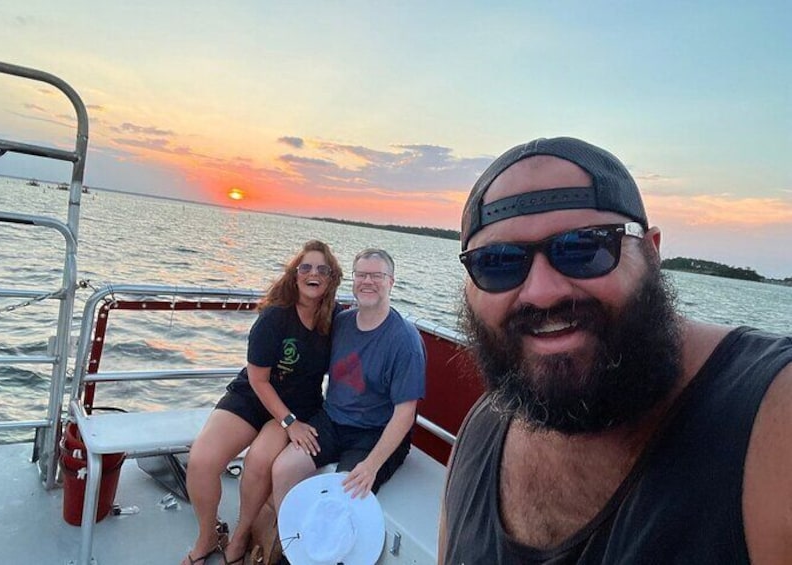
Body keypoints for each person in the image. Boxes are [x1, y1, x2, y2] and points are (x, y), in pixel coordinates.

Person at [439, 136, 792, 563]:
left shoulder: (772, 414)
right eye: (497, 263)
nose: (542, 292)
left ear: (651, 252)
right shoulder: (481, 427)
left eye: (583, 248)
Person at [220, 248, 427, 562]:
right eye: (361, 274)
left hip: (374, 434)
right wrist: (289, 418)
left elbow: (405, 413)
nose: (368, 281)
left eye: (377, 276)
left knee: (344, 496)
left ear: (391, 282)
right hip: (331, 421)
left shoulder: (404, 340)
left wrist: (371, 465)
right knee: (284, 467)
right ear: (353, 280)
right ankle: (288, 547)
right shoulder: (340, 323)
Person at [181, 240, 343, 565]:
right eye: (306, 267)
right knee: (201, 460)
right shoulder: (275, 318)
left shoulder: (335, 319)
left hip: (299, 406)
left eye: (322, 269)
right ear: (295, 275)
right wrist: (289, 423)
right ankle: (207, 536)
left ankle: (240, 536)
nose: (313, 274)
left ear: (331, 278)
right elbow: (258, 380)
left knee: (259, 461)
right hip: (255, 397)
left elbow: (366, 336)